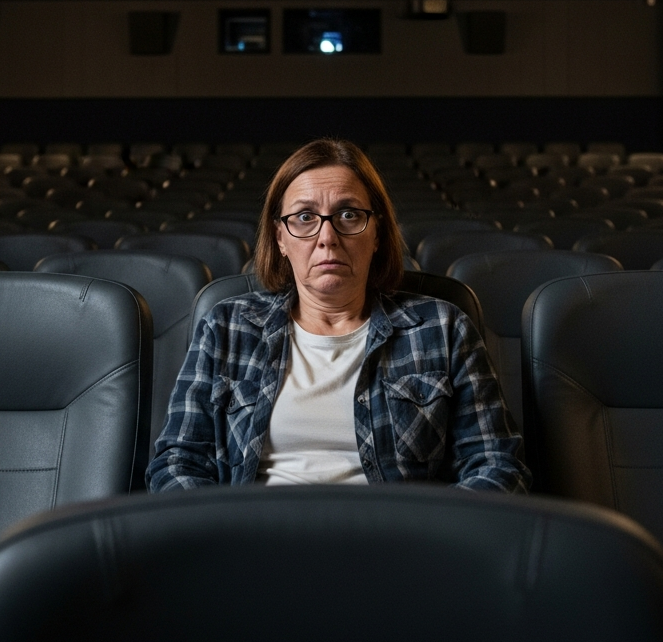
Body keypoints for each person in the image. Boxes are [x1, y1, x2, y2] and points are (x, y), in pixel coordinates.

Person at [147, 138, 529, 492]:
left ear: (376, 233)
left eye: (348, 215)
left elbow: (496, 464)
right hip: (256, 543)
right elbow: (177, 463)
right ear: (280, 238)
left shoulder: (442, 327)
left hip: (399, 546)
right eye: (304, 217)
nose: (326, 237)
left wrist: (431, 541)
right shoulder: (226, 328)